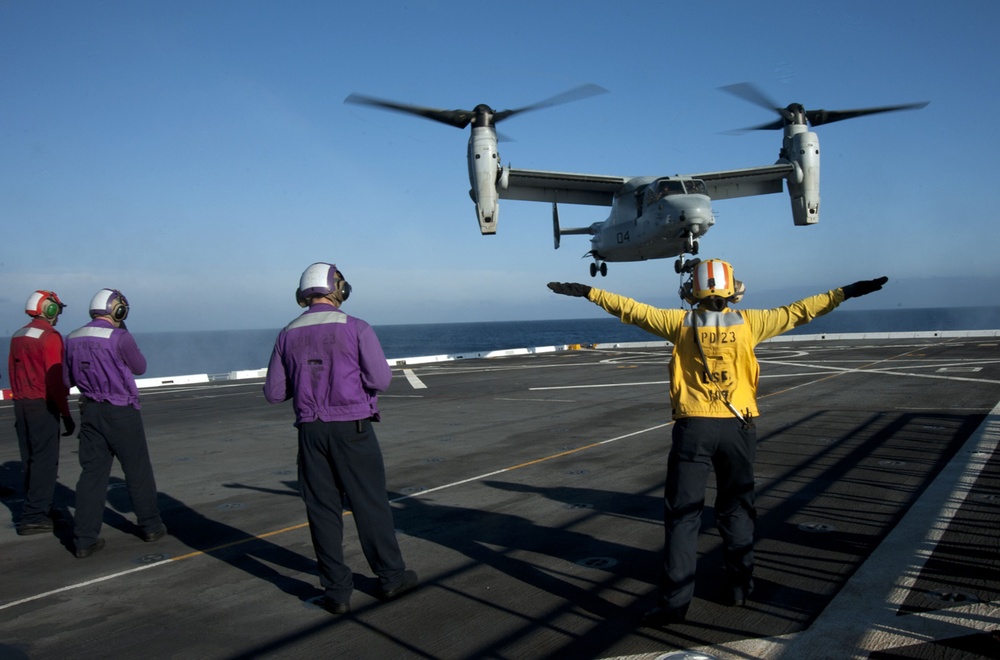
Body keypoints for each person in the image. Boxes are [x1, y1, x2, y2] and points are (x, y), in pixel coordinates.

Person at [548, 260, 888, 627]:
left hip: (694, 427)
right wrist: (847, 291)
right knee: (738, 508)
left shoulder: (678, 323)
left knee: (683, 517)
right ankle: (740, 587)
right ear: (732, 291)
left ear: (692, 292)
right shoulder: (751, 323)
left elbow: (630, 308)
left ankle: (674, 605)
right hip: (738, 426)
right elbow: (803, 310)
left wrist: (589, 292)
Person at [264, 262, 417, 615]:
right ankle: (391, 577)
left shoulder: (286, 334)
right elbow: (380, 380)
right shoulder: (356, 327)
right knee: (370, 504)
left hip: (310, 431)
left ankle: (336, 591)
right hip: (353, 429)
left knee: (321, 510)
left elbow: (273, 392)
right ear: (339, 288)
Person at [64, 288, 165, 558]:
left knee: (91, 475)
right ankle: (151, 526)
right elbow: (139, 366)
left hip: (91, 412)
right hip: (121, 411)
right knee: (137, 470)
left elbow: (67, 380)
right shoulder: (120, 336)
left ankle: (84, 539)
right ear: (118, 310)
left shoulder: (71, 337)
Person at [8, 290, 75, 536]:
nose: (58, 314)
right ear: (49, 309)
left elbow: (12, 373)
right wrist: (66, 414)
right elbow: (55, 381)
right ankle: (34, 516)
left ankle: (38, 507)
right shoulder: (50, 337)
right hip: (42, 405)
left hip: (22, 404)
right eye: (57, 309)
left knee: (30, 460)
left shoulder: (18, 335)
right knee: (45, 462)